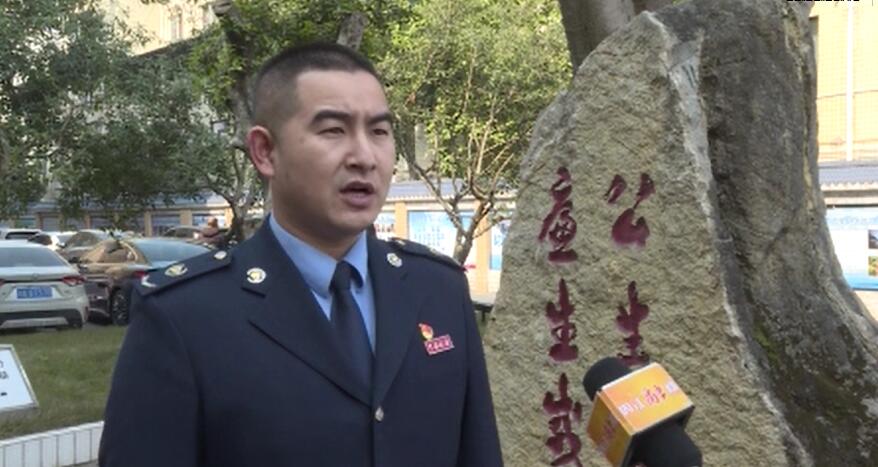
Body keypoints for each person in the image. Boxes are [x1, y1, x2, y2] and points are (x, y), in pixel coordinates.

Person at [99, 42, 503, 467]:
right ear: (265, 152)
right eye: (333, 130)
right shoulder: (184, 316)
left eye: (379, 132)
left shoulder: (437, 289)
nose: (364, 157)